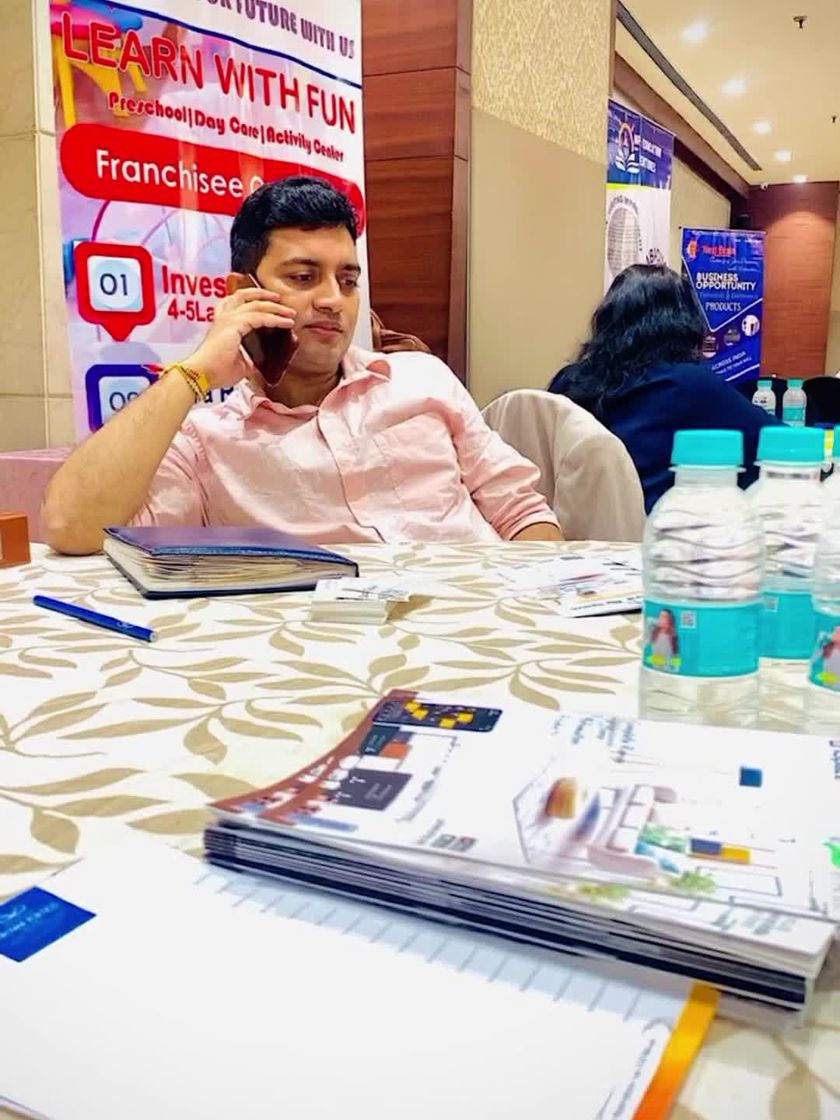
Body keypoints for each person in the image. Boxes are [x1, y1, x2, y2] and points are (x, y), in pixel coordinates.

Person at [44, 176, 561, 554]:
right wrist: (195, 372)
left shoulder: (422, 379)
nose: (334, 300)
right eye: (303, 277)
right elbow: (72, 525)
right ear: (242, 291)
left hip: (478, 627)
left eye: (348, 281)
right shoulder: (208, 442)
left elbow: (523, 515)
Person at [547, 264, 781, 511]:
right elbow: (778, 445)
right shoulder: (690, 386)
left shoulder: (568, 381)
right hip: (652, 528)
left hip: (564, 525)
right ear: (684, 324)